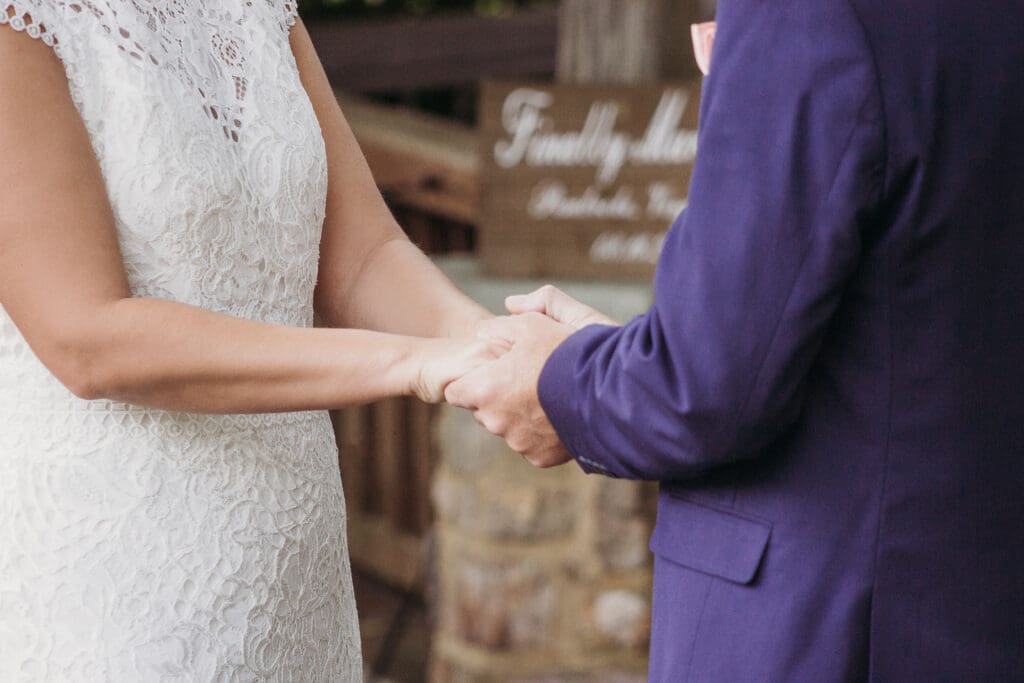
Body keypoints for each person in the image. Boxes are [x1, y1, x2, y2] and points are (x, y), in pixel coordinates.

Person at [447, 0, 1024, 679]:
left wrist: (561, 384)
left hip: (825, 624)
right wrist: (635, 353)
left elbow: (707, 387)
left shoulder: (806, 13)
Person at [0, 1, 503, 679]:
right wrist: (417, 363)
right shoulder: (21, 21)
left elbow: (364, 255)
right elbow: (87, 336)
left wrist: (491, 343)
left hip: (294, 574)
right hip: (120, 578)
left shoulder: (258, 9)